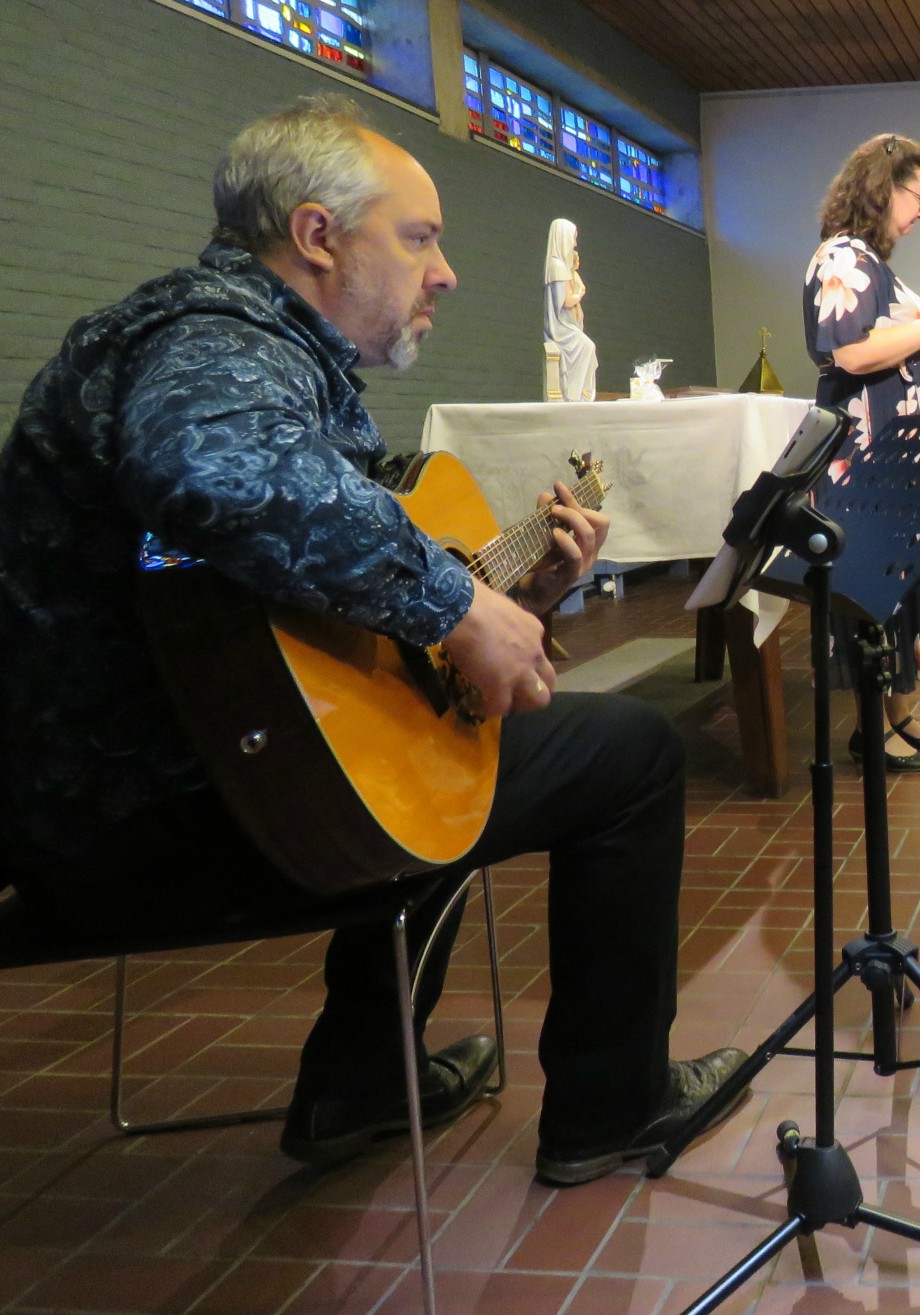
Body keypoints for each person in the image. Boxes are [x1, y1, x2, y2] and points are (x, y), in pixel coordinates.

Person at [0, 96, 748, 1188]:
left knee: (436, 741)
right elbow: (209, 474)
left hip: (206, 778)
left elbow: (302, 610)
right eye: (419, 236)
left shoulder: (259, 353)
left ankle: (357, 1082)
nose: (443, 272)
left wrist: (522, 588)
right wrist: (452, 603)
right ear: (316, 237)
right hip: (137, 821)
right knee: (629, 754)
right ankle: (612, 1105)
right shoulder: (210, 338)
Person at [804, 132, 920, 773]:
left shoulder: (872, 260)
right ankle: (868, 730)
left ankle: (899, 715)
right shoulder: (841, 257)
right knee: (875, 586)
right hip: (867, 450)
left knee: (902, 585)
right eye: (919, 196)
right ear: (884, 188)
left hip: (897, 450)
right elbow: (847, 352)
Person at [542, 217, 596, 401]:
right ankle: (575, 395)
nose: (575, 242)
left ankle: (581, 394)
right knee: (588, 346)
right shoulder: (557, 267)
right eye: (573, 237)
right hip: (560, 328)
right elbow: (565, 302)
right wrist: (580, 294)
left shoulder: (561, 266)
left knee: (588, 347)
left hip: (566, 325)